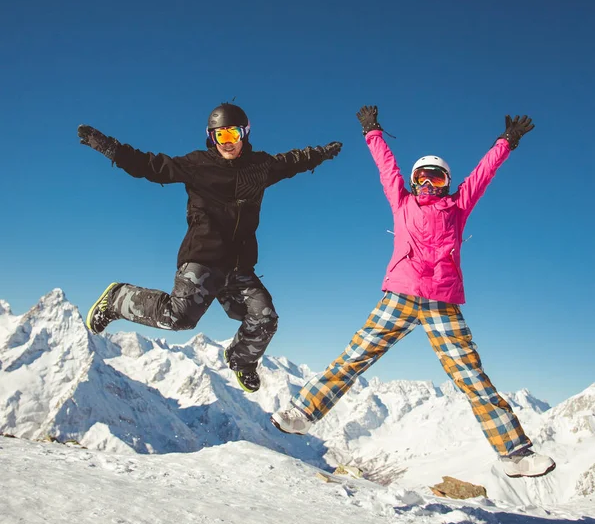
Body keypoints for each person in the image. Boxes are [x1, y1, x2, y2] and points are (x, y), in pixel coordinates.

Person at [271, 106, 556, 478]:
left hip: (442, 302)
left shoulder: (458, 207)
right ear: (412, 180)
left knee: (472, 377)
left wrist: (506, 142)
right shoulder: (402, 202)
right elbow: (385, 166)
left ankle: (515, 454)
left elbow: (483, 174)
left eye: (436, 179)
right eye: (421, 177)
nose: (427, 184)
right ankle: (303, 414)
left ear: (448, 183)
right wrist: (372, 131)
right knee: (355, 355)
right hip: (401, 295)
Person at [79, 103, 342, 393]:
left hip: (239, 266)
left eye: (233, 134)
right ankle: (118, 298)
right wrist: (112, 148)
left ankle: (241, 360)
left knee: (265, 318)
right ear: (211, 137)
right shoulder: (197, 165)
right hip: (203, 258)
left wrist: (320, 154)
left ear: (245, 134)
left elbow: (292, 161)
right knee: (179, 318)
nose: (227, 143)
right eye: (220, 136)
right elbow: (151, 166)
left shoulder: (260, 167)